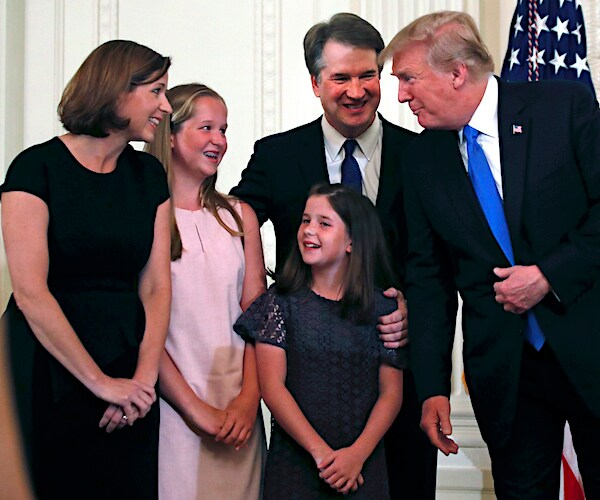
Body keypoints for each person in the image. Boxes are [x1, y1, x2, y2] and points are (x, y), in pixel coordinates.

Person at [381, 10, 600, 498]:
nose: (400, 96)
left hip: (589, 348)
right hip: (507, 374)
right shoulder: (423, 157)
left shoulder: (564, 108)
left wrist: (548, 275)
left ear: (457, 72)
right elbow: (429, 278)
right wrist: (434, 386)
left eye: (409, 79)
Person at [230, 13, 438, 498]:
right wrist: (256, 290)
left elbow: (441, 255)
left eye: (368, 75)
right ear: (316, 83)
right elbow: (235, 214)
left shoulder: (423, 154)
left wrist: (411, 303)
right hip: (307, 380)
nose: (356, 90)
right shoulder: (276, 154)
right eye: (341, 77)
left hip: (396, 363)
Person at [0, 40, 172, 498]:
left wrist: (141, 381)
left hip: (127, 358)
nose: (166, 105)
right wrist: (99, 383)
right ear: (117, 91)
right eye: (156, 91)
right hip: (45, 364)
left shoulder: (150, 176)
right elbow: (31, 291)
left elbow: (156, 286)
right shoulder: (34, 168)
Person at [235, 183, 406, 498]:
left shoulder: (385, 308)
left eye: (324, 223)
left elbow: (391, 394)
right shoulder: (279, 303)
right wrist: (322, 455)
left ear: (352, 241)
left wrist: (356, 455)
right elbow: (272, 388)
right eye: (305, 220)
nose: (308, 230)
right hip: (295, 465)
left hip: (362, 466)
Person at [145, 83, 266, 499]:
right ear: (171, 135)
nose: (220, 140)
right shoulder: (144, 218)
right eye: (207, 127)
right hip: (172, 408)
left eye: (225, 129)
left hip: (240, 409)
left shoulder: (239, 216)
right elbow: (143, 326)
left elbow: (258, 316)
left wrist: (249, 401)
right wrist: (194, 410)